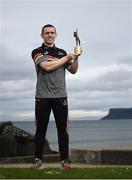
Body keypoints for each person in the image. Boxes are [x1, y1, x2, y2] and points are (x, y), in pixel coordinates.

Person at [31, 24, 81, 169]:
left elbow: (73, 70)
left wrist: (76, 57)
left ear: (56, 35)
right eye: (47, 33)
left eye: (52, 33)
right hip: (42, 96)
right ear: (42, 35)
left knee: (63, 130)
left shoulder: (61, 52)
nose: (50, 35)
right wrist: (67, 57)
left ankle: (64, 162)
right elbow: (47, 67)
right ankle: (37, 161)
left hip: (61, 96)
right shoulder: (37, 52)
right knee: (41, 129)